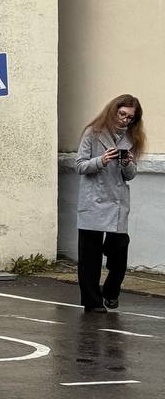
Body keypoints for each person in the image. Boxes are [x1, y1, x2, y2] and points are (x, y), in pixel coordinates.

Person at [75, 94, 145, 313]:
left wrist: (127, 163)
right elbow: (79, 166)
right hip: (94, 200)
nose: (124, 120)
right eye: (121, 114)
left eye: (129, 117)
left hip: (117, 202)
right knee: (90, 256)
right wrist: (101, 160)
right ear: (113, 111)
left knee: (120, 248)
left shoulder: (132, 138)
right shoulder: (92, 133)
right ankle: (92, 301)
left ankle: (111, 290)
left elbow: (130, 175)